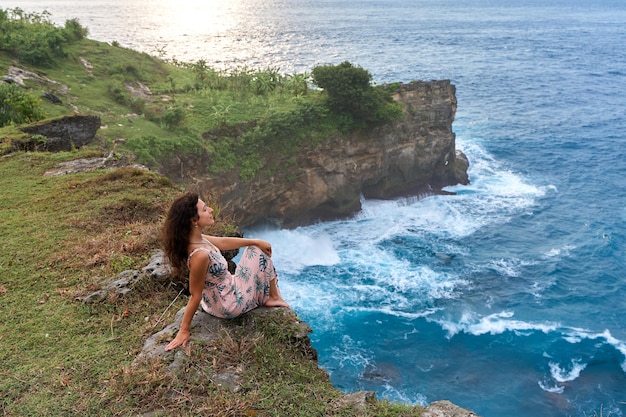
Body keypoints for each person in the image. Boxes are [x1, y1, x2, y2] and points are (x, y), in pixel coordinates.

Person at [161, 192, 289, 351]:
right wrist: (183, 330)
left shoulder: (195, 238)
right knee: (258, 252)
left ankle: (270, 296)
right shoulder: (200, 255)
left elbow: (222, 242)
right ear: (194, 220)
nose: (211, 210)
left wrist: (254, 240)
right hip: (228, 304)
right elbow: (195, 294)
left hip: (216, 300)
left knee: (255, 247)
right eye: (205, 209)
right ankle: (273, 296)